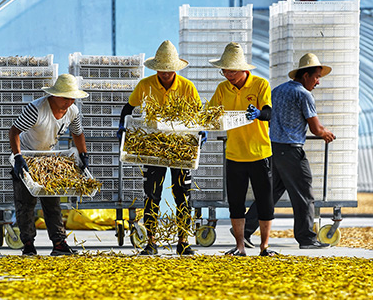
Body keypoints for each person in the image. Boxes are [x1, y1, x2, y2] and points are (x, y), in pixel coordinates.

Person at [118, 40, 202, 256]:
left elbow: (199, 116)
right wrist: (123, 127)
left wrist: (202, 132)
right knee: (152, 194)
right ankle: (151, 242)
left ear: (175, 68)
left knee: (182, 194)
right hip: (153, 147)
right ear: (156, 69)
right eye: (161, 70)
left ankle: (183, 241)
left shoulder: (187, 87)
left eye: (169, 69)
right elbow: (128, 108)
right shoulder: (145, 85)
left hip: (180, 147)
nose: (165, 74)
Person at [244, 53, 336, 249]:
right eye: (316, 77)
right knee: (304, 194)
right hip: (292, 151)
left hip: (274, 148)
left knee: (270, 194)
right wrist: (326, 133)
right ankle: (307, 239)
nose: (318, 82)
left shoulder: (277, 91)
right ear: (305, 76)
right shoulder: (304, 94)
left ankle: (244, 230)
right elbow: (315, 129)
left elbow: (267, 116)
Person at [9, 73, 90, 256]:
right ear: (54, 95)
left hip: (48, 158)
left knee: (53, 202)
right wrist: (18, 156)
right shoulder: (37, 109)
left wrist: (83, 154)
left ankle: (59, 243)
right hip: (28, 156)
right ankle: (28, 244)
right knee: (26, 204)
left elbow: (78, 133)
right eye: (65, 98)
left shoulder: (72, 111)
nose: (69, 102)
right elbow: (14, 131)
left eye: (71, 98)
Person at [208, 42, 276, 257]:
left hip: (259, 153)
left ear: (243, 69)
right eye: (225, 70)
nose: (228, 74)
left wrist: (258, 114)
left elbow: (268, 113)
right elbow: (211, 113)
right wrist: (202, 127)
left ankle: (265, 247)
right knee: (235, 203)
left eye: (231, 70)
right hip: (235, 154)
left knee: (265, 202)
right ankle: (240, 246)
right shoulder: (222, 88)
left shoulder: (260, 84)